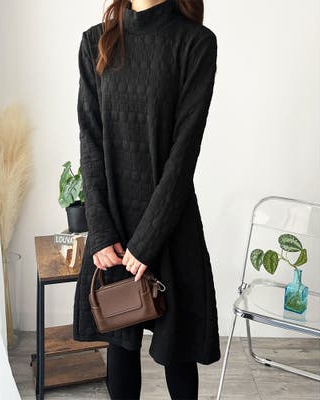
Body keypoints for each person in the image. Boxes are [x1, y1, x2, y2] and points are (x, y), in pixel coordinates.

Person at [73, 0, 221, 398]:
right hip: (115, 231)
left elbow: (183, 155)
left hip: (170, 224)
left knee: (178, 351)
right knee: (120, 346)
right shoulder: (95, 42)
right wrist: (101, 232)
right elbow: (90, 142)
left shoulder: (196, 43)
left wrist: (147, 240)